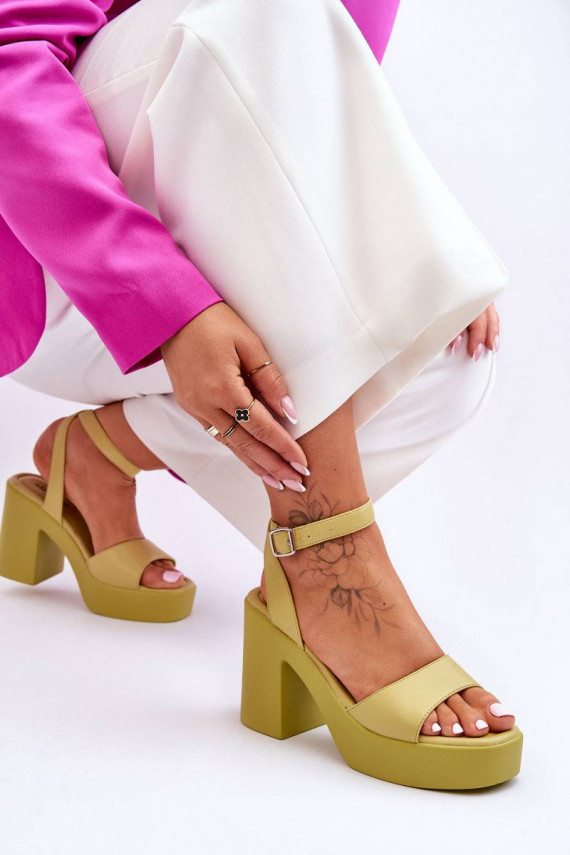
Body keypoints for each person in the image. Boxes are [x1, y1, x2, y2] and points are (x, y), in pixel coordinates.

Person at [0, 0, 522, 789]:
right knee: (262, 13)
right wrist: (167, 303)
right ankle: (325, 559)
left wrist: (409, 254)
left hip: (194, 228)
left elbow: (312, 110)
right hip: (44, 256)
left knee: (446, 364)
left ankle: (101, 453)